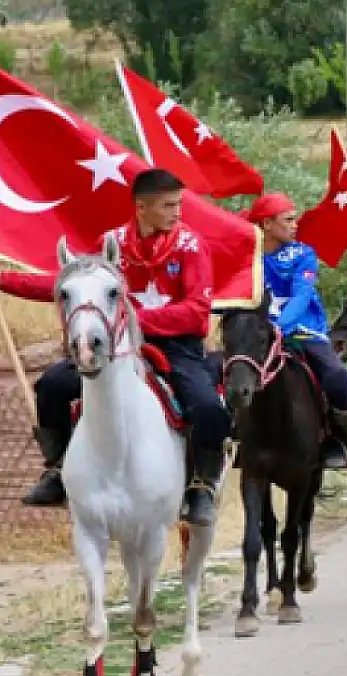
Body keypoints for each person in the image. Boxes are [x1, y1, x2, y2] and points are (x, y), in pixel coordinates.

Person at [0, 168, 230, 525]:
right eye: (168, 205)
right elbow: (70, 283)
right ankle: (58, 470)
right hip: (115, 346)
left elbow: (197, 315)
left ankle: (201, 486)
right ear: (141, 207)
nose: (177, 212)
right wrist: (4, 281)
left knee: (208, 407)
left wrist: (135, 322)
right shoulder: (114, 244)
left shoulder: (191, 246)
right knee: (52, 386)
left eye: (178, 204)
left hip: (175, 347)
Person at [245, 193, 347, 469]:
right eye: (289, 220)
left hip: (301, 331)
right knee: (224, 374)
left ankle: (338, 440)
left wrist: (278, 327)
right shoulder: (246, 257)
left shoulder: (303, 255)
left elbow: (301, 296)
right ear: (267, 224)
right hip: (257, 335)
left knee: (340, 379)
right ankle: (228, 442)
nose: (296, 225)